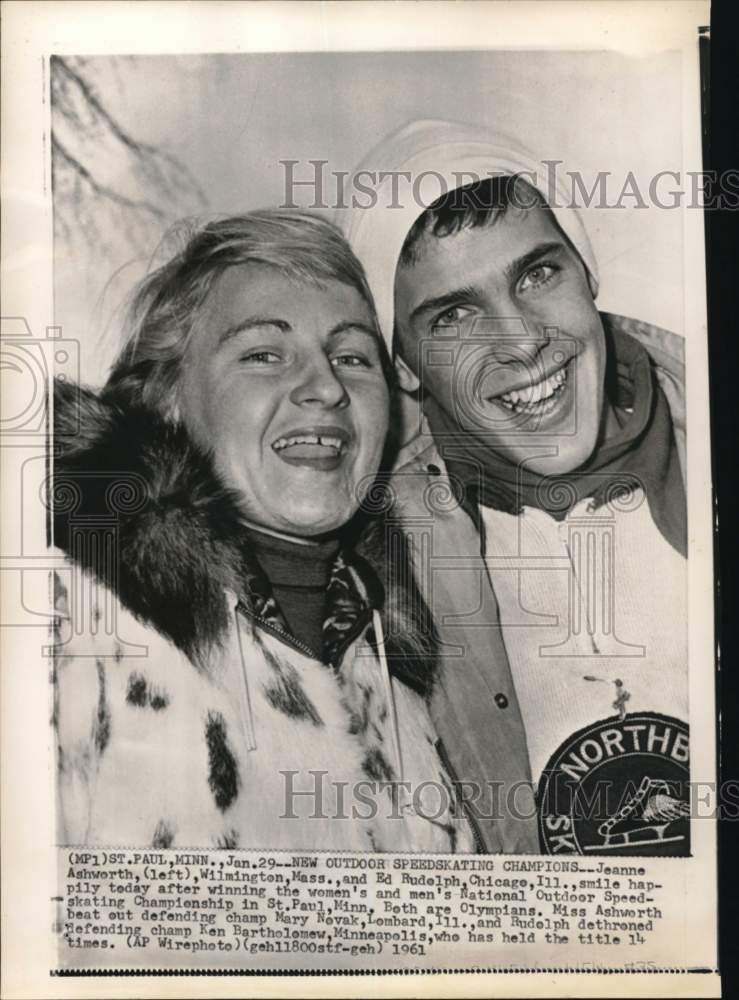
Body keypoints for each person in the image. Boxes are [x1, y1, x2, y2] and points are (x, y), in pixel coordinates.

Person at [50, 209, 478, 853]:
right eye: (263, 354)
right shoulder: (62, 630)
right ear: (165, 397)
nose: (325, 386)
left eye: (353, 357)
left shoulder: (402, 681)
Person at [338, 120, 689, 855]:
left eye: (537, 275)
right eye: (455, 315)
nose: (522, 341)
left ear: (587, 273)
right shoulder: (375, 565)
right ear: (400, 363)